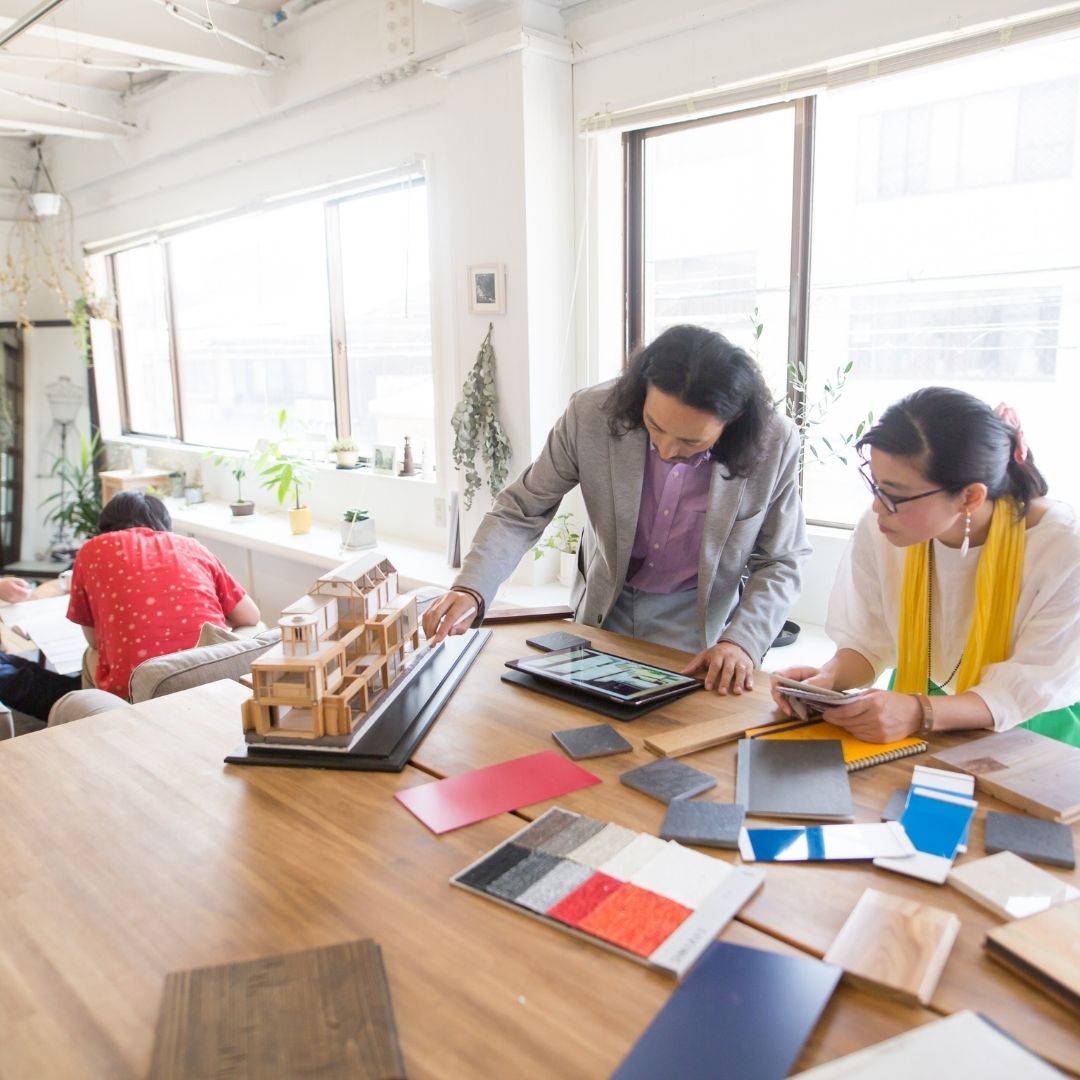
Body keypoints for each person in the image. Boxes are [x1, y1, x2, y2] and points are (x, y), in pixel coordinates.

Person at [423, 324, 810, 694]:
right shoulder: (591, 414)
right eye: (655, 426)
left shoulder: (774, 443)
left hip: (696, 619)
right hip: (606, 605)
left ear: (733, 421)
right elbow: (521, 509)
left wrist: (742, 642)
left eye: (691, 441)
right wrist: (472, 587)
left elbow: (782, 559)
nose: (668, 450)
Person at [771, 388, 1080, 747]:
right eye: (875, 484)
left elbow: (1030, 686)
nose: (876, 507)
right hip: (919, 697)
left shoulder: (1063, 547)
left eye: (895, 494)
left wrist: (919, 712)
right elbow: (869, 642)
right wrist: (827, 680)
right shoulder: (882, 527)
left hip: (1036, 724)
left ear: (970, 497)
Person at [67, 491, 260, 698]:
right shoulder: (191, 546)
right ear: (163, 523)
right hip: (210, 675)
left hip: (139, 687)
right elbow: (251, 617)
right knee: (256, 629)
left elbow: (95, 641)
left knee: (91, 655)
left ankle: (103, 719)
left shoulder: (91, 550)